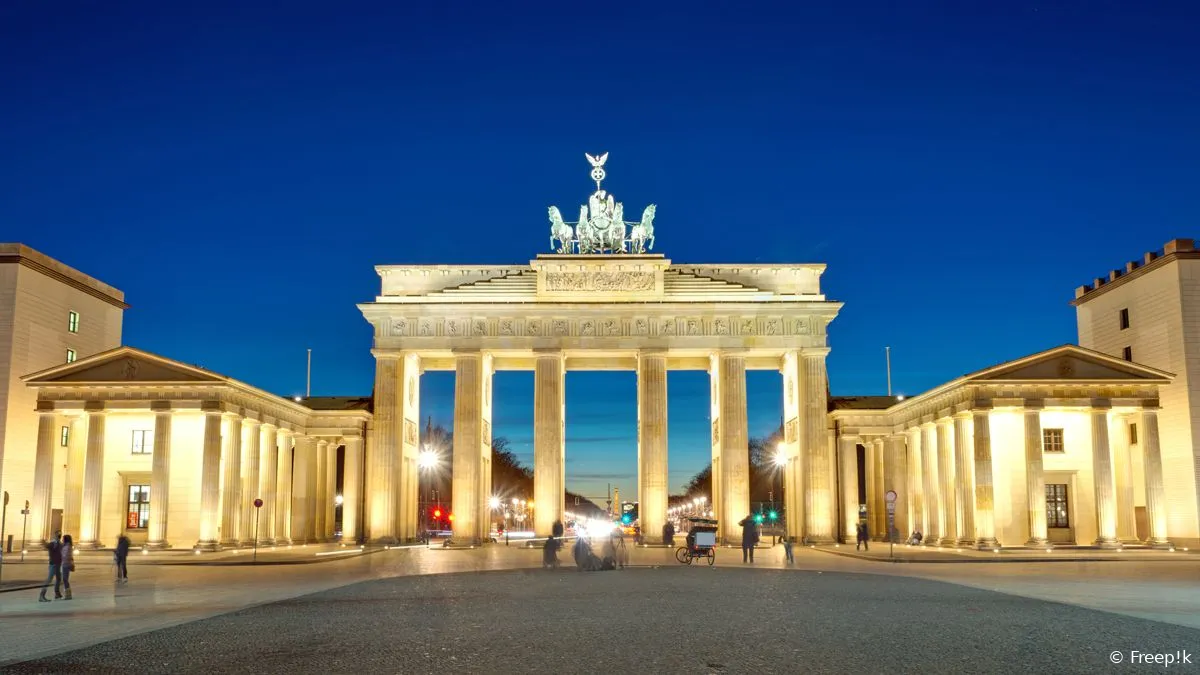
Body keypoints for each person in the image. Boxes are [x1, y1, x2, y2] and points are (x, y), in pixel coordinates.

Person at [37, 530, 64, 603]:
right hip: (53, 564)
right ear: (55, 536)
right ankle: (42, 596)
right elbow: (47, 546)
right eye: (58, 534)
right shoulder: (53, 543)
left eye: (60, 534)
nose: (59, 535)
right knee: (49, 579)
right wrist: (44, 542)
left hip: (58, 564)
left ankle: (57, 594)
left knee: (59, 579)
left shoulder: (59, 543)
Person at [60, 534, 76, 600]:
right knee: (65, 579)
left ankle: (68, 595)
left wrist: (60, 557)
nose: (62, 540)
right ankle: (67, 594)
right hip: (66, 563)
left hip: (65, 564)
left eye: (63, 539)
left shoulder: (67, 547)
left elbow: (65, 555)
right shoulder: (68, 546)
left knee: (65, 579)